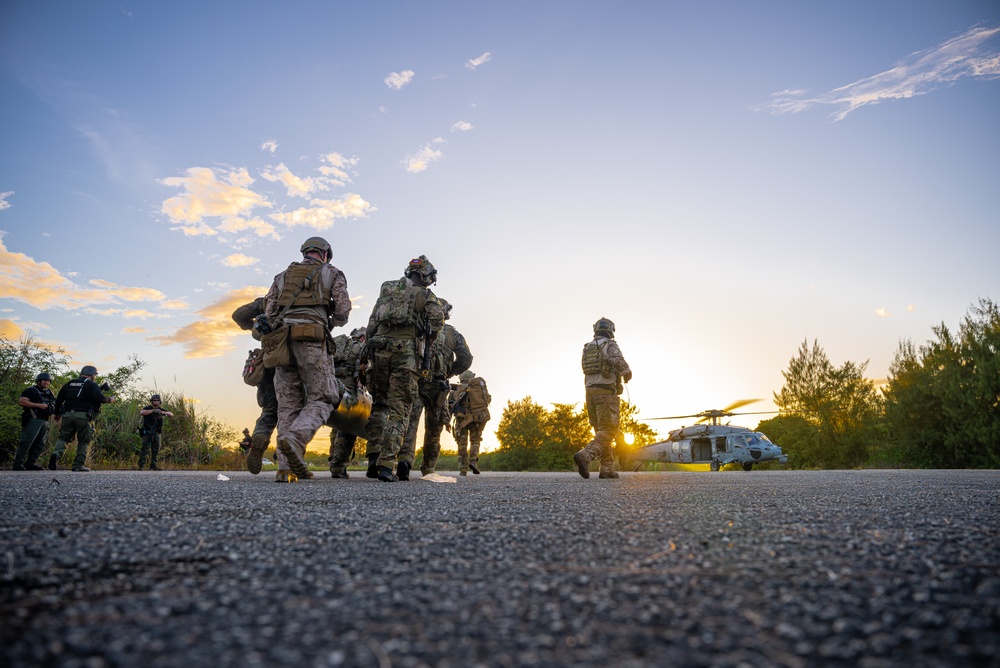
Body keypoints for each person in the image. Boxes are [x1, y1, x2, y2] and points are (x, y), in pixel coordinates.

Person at [264, 236, 351, 482]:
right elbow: (343, 310)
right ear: (325, 254)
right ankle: (296, 438)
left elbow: (269, 312)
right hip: (312, 339)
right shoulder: (332, 273)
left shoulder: (281, 277)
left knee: (288, 404)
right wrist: (328, 322)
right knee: (324, 397)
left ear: (305, 252)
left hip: (282, 342)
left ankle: (285, 467)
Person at [362, 255, 444, 482]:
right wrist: (428, 339)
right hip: (405, 355)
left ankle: (373, 458)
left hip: (378, 351)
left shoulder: (387, 289)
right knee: (400, 410)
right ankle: (387, 465)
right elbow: (437, 320)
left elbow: (371, 324)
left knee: (378, 406)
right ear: (426, 275)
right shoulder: (426, 295)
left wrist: (369, 351)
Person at [399, 299, 473, 478]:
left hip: (415, 381)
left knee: (410, 423)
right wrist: (450, 372)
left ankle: (405, 460)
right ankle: (429, 467)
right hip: (438, 386)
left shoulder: (417, 328)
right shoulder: (451, 333)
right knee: (434, 429)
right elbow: (466, 358)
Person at [574, 318, 632, 479]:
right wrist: (627, 372)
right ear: (611, 330)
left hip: (590, 392)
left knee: (601, 432)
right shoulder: (609, 345)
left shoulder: (588, 347)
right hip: (606, 393)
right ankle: (586, 455)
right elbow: (618, 361)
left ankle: (606, 469)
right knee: (609, 430)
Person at [231, 296, 280, 477]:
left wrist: (252, 326)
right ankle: (287, 462)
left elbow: (238, 315)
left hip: (268, 360)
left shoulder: (267, 302)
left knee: (269, 410)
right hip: (294, 364)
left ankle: (260, 435)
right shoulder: (304, 300)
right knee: (292, 412)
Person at [50, 365, 116, 472]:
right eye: (95, 375)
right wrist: (110, 400)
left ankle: (56, 454)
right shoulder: (91, 384)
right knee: (84, 440)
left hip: (67, 415)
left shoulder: (69, 383)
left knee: (63, 438)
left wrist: (57, 414)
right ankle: (78, 465)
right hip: (83, 416)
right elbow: (100, 398)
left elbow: (58, 400)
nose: (95, 377)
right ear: (91, 375)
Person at [328, 327, 367, 478]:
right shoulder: (361, 347)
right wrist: (361, 386)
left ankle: (333, 459)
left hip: (331, 385)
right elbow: (361, 369)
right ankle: (338, 466)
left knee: (334, 425)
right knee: (347, 428)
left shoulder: (339, 343)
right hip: (348, 388)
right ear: (363, 337)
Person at [450, 370, 491, 475]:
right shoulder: (477, 389)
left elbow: (448, 406)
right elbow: (488, 399)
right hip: (476, 419)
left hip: (461, 420)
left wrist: (447, 422)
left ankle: (463, 469)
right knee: (475, 440)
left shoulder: (455, 390)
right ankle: (473, 460)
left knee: (462, 444)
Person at [13, 372, 57, 471]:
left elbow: (55, 404)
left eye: (48, 381)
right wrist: (38, 405)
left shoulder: (49, 393)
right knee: (26, 442)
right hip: (33, 419)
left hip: (45, 420)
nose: (46, 382)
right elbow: (22, 401)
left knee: (39, 443)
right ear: (39, 380)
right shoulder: (31, 390)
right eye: (44, 380)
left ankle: (31, 463)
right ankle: (17, 464)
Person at [138, 394, 174, 470]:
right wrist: (153, 411)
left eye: (157, 400)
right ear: (152, 401)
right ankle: (141, 466)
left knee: (156, 449)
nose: (156, 401)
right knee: (145, 449)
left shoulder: (161, 409)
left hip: (157, 432)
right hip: (147, 431)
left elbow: (171, 414)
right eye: (154, 400)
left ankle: (153, 465)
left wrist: (162, 412)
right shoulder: (148, 408)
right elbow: (142, 412)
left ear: (160, 401)